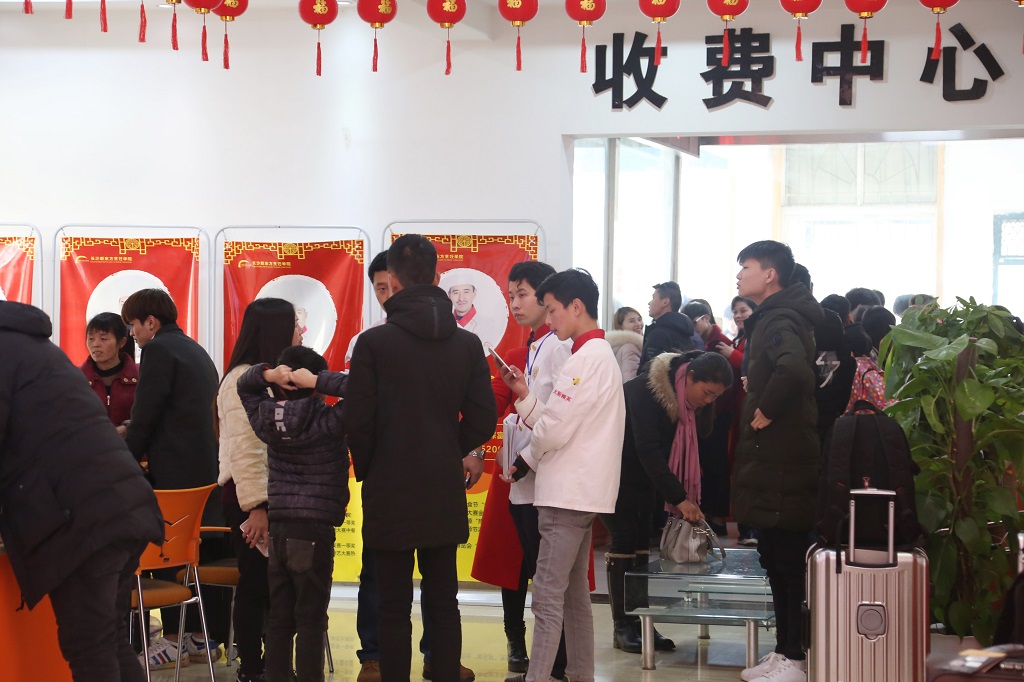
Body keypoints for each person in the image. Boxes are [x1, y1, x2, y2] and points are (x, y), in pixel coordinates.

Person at [342, 234, 496, 682]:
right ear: (437, 276)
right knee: (443, 597)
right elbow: (483, 418)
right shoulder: (466, 344)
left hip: (389, 485)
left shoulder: (374, 344)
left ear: (392, 279)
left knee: (392, 602)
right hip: (441, 484)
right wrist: (448, 448)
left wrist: (371, 465)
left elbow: (358, 420)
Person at [0, 300, 165, 682]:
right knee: (108, 640)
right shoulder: (32, 346)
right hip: (122, 505)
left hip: (81, 517)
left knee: (89, 645)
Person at [498, 268, 625, 682]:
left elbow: (553, 430)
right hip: (582, 491)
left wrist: (526, 447)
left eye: (552, 310)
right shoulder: (598, 355)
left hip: (566, 492)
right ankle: (580, 674)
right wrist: (525, 399)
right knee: (573, 598)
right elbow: (557, 422)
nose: (549, 320)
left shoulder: (582, 359)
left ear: (576, 306)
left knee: (547, 598)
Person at [472, 260, 573, 678]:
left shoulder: (566, 349)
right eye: (510, 295)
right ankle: (519, 642)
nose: (515, 304)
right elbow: (489, 406)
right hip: (516, 470)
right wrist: (473, 443)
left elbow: (560, 418)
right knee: (514, 563)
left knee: (548, 572)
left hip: (547, 469)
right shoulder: (517, 354)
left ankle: (555, 661)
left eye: (522, 295)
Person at [120, 288, 226, 667]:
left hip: (173, 475)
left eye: (133, 325)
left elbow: (146, 414)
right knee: (197, 554)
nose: (133, 334)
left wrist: (124, 461)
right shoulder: (195, 350)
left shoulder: (158, 350)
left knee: (166, 551)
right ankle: (199, 637)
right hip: (205, 471)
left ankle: (170, 640)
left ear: (151, 322)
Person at [732, 241, 822, 682]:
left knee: (787, 560)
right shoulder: (775, 315)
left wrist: (765, 408)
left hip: (784, 459)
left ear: (770, 274)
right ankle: (784, 650)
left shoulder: (780, 317)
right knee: (774, 556)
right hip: (775, 458)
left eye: (746, 267)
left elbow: (795, 370)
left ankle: (795, 657)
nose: (739, 275)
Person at [603, 350, 732, 653]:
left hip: (644, 479)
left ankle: (640, 621)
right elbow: (648, 449)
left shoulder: (685, 400)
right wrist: (679, 498)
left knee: (639, 547)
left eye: (716, 396)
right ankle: (622, 627)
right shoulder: (647, 391)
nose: (709, 401)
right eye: (707, 393)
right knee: (623, 544)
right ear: (690, 377)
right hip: (613, 472)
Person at [237, 345, 350, 682]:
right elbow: (364, 390)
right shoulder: (327, 420)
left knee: (280, 618)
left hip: (280, 528)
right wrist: (319, 380)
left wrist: (269, 374)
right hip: (313, 529)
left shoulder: (265, 417)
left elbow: (244, 385)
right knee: (311, 619)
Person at [216, 297, 303, 682]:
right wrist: (257, 507)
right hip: (251, 497)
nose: (300, 331)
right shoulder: (244, 379)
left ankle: (275, 664)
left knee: (277, 586)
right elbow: (247, 449)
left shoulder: (269, 376)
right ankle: (252, 668)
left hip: (272, 495)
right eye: (294, 324)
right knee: (256, 584)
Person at [680, 299, 734, 535]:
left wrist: (711, 401)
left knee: (715, 466)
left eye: (694, 323)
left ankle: (718, 517)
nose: (692, 328)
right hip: (705, 413)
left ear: (706, 318)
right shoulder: (701, 342)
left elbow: (729, 385)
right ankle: (707, 514)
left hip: (718, 415)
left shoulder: (721, 343)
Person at [715, 296, 758, 546]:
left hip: (752, 413)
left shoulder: (755, 339)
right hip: (738, 415)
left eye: (744, 310)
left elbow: (754, 367)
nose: (739, 315)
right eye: (736, 311)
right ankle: (745, 526)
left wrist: (732, 355)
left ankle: (750, 528)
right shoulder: (741, 338)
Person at [80, 311, 138, 437]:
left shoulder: (140, 376)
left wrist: (128, 428)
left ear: (121, 342)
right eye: (91, 338)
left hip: (130, 447)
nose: (95, 344)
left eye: (103, 339)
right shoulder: (76, 379)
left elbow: (153, 414)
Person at [639, 281, 696, 372]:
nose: (649, 303)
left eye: (653, 297)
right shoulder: (684, 330)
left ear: (665, 302)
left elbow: (649, 372)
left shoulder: (659, 334)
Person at [607, 306, 644, 382]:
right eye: (632, 321)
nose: (638, 324)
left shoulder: (617, 346)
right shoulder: (630, 347)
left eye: (639, 319)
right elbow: (631, 382)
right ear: (620, 326)